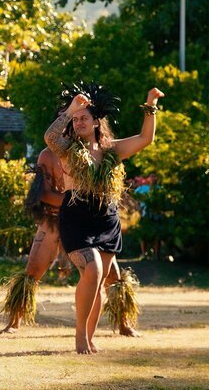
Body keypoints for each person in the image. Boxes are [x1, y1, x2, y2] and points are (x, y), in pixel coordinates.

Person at [44, 82, 162, 354]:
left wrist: (151, 105)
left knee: (97, 280)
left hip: (106, 218)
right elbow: (50, 138)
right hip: (76, 216)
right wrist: (70, 109)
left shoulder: (112, 151)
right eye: (75, 119)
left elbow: (146, 139)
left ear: (96, 121)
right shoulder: (67, 148)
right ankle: (79, 338)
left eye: (84, 117)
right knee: (93, 270)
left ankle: (89, 336)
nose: (79, 121)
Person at [0, 147, 141, 337]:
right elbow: (42, 193)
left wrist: (84, 205)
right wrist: (75, 202)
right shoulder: (48, 155)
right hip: (53, 219)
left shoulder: (93, 150)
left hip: (86, 223)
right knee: (32, 270)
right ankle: (14, 321)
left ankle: (123, 324)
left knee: (112, 275)